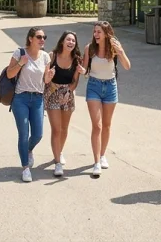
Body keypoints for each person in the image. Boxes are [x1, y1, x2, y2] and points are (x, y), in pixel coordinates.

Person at [84, 21, 131, 178]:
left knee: (107, 125)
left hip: (110, 87)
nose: (96, 34)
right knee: (96, 126)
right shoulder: (89, 48)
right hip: (94, 86)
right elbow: (85, 71)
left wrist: (121, 51)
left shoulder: (114, 48)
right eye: (95, 32)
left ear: (106, 34)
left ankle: (103, 155)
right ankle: (96, 162)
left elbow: (127, 66)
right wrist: (81, 70)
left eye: (99, 32)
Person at [5, 27, 50, 183]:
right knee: (23, 134)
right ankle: (25, 168)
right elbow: (9, 74)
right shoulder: (20, 53)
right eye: (39, 36)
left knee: (38, 134)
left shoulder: (45, 57)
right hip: (21, 99)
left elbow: (45, 81)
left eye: (44, 37)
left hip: (38, 98)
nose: (42, 39)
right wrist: (20, 64)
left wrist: (49, 76)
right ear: (30, 39)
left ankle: (28, 149)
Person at [44, 31, 83, 177]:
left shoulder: (76, 60)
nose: (71, 42)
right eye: (68, 39)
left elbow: (75, 81)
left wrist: (69, 91)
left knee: (64, 128)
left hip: (68, 95)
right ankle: (58, 163)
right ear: (62, 41)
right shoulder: (51, 56)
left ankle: (58, 152)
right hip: (53, 93)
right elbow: (45, 78)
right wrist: (49, 78)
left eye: (73, 40)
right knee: (56, 129)